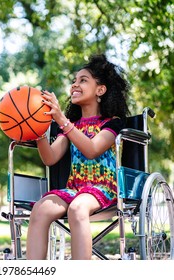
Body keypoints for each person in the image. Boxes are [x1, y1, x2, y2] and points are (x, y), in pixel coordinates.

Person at [26, 54, 130, 260]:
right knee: (40, 209)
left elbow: (92, 149)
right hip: (75, 188)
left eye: (83, 80)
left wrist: (62, 120)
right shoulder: (71, 127)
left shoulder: (112, 123)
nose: (75, 84)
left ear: (100, 90)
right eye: (74, 81)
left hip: (103, 188)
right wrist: (38, 132)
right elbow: (50, 158)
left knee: (78, 208)